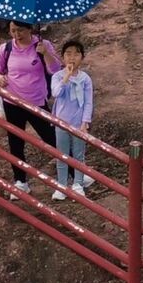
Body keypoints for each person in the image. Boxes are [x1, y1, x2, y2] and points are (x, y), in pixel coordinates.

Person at [0, 19, 61, 190]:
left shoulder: (43, 45)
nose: (16, 34)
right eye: (13, 30)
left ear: (30, 29)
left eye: (20, 30)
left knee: (52, 138)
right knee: (15, 142)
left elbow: (56, 70)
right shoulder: (6, 48)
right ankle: (20, 181)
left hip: (36, 102)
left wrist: (46, 53)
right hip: (12, 101)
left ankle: (76, 173)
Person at [48, 39, 94, 201]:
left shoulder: (85, 79)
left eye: (76, 54)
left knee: (79, 155)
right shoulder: (57, 76)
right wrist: (66, 77)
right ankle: (62, 186)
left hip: (78, 123)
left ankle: (78, 184)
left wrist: (85, 121)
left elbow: (88, 102)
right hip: (61, 123)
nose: (72, 57)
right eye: (68, 54)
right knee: (62, 155)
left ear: (82, 57)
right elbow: (56, 93)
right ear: (63, 57)